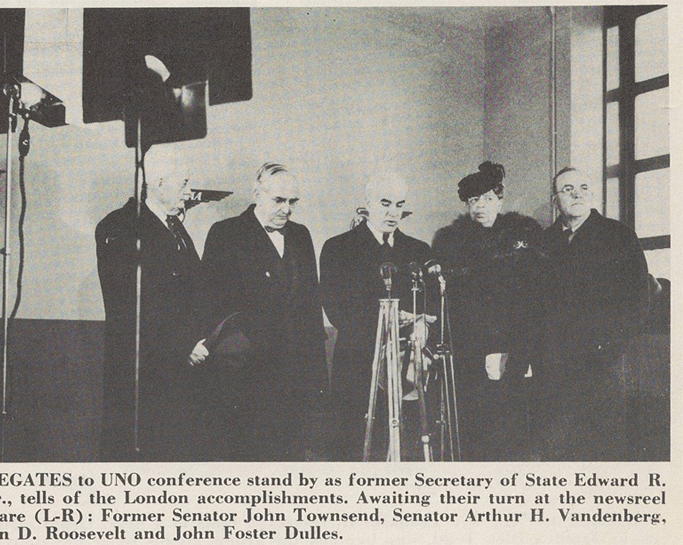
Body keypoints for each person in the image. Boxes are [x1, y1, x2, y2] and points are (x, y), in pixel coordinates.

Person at [201, 162, 327, 461]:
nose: (287, 209)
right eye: (279, 200)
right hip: (247, 379)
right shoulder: (226, 233)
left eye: (292, 201)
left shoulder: (301, 235)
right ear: (257, 194)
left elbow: (311, 306)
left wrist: (317, 379)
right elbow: (210, 303)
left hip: (294, 378)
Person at [431, 161, 544, 461]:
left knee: (513, 430)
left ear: (500, 201)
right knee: (474, 430)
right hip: (469, 350)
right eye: (473, 201)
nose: (480, 207)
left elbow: (535, 299)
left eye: (488, 199)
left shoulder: (525, 236)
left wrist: (520, 352)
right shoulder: (450, 242)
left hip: (515, 348)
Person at [95, 171, 210, 462]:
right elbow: (132, 304)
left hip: (177, 371)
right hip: (145, 373)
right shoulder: (121, 226)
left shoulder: (174, 228)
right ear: (157, 184)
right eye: (183, 181)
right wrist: (184, 345)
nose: (189, 190)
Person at [320, 174, 434, 461]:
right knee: (354, 450)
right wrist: (393, 318)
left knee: (405, 449)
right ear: (367, 204)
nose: (392, 212)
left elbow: (430, 305)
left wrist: (421, 322)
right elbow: (337, 310)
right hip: (358, 366)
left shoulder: (418, 251)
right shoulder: (338, 248)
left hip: (407, 371)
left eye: (399, 205)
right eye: (384, 203)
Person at [539, 166, 649, 460]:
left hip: (602, 365)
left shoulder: (618, 236)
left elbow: (639, 299)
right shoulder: (544, 243)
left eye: (584, 187)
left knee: (602, 450)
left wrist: (610, 345)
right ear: (554, 201)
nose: (577, 194)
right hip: (555, 368)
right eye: (568, 189)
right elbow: (534, 305)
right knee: (558, 452)